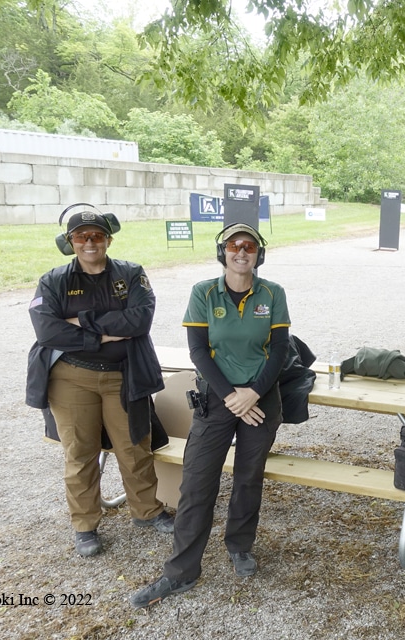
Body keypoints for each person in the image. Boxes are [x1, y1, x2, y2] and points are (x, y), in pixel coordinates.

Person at [130, 222, 290, 608]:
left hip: (261, 398)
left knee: (248, 478)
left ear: (258, 254)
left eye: (249, 246)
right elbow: (198, 352)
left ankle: (239, 546)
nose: (241, 252)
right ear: (223, 252)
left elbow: (281, 350)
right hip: (217, 397)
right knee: (197, 483)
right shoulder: (203, 292)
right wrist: (233, 397)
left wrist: (251, 394)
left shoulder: (273, 293)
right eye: (234, 245)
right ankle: (181, 572)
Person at [26, 205, 174, 558]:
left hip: (124, 376)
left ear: (108, 239)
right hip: (71, 378)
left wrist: (80, 321)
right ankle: (85, 525)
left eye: (96, 236)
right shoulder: (54, 280)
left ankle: (147, 511)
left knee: (134, 445)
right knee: (80, 452)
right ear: (70, 242)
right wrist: (104, 336)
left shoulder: (131, 273)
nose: (89, 243)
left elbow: (139, 321)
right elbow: (47, 328)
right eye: (81, 236)